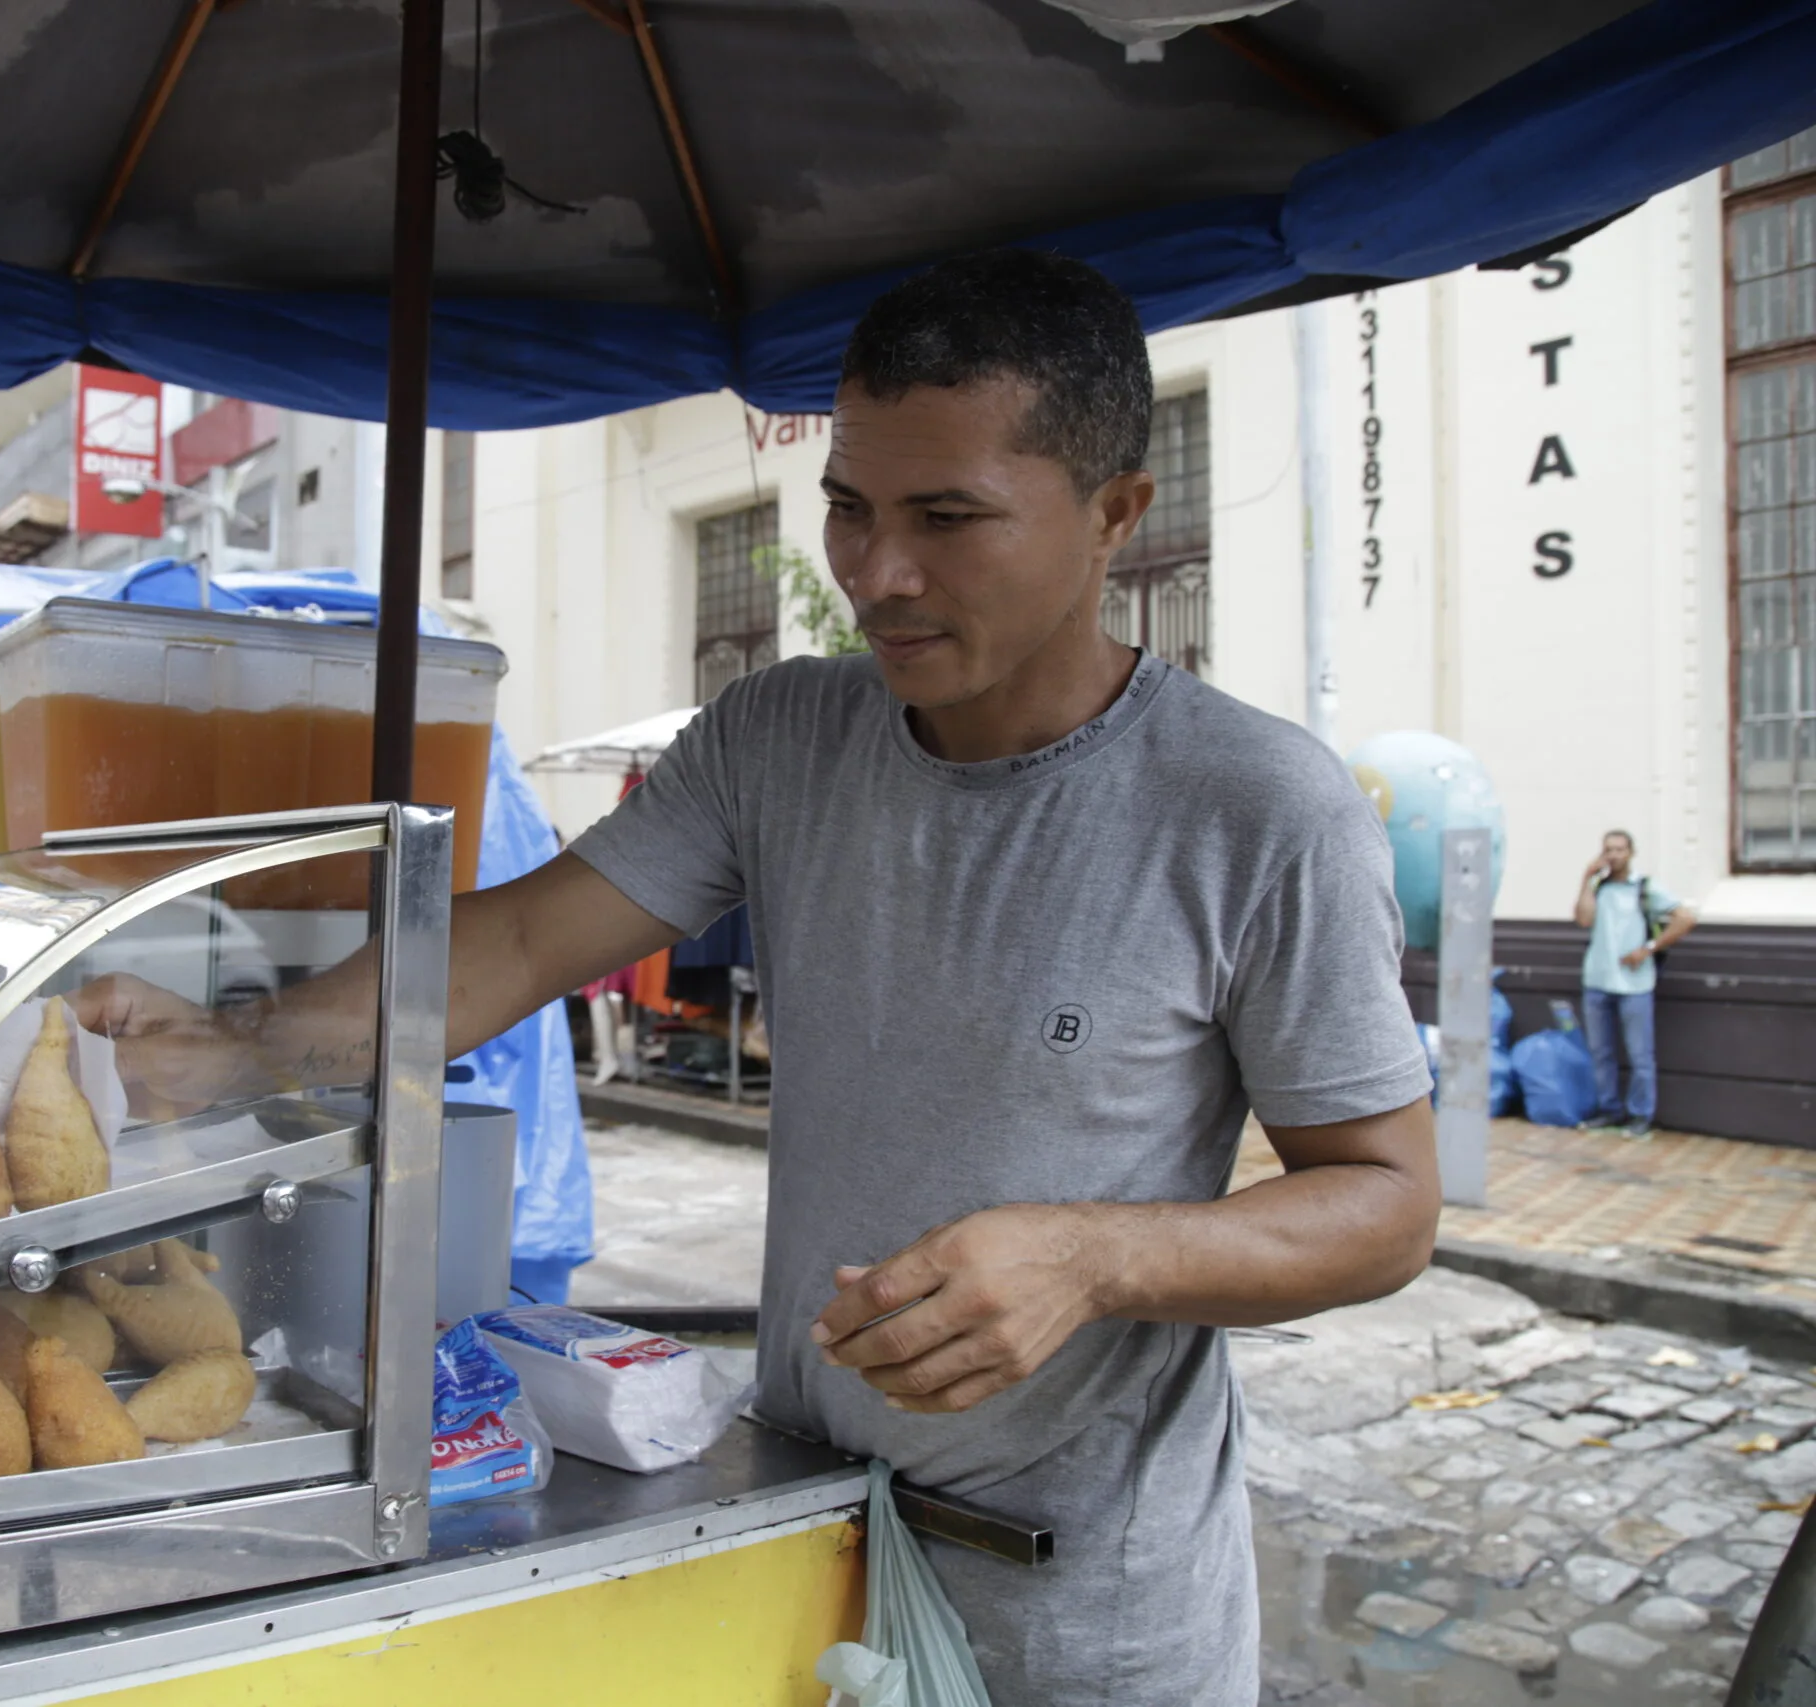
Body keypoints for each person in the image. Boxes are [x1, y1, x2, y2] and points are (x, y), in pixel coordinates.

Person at [77, 251, 1438, 1704]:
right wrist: (246, 1045)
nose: (877, 572)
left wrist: (1092, 1255)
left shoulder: (1257, 806)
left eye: (948, 517)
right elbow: (526, 941)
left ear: (1115, 512)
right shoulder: (781, 736)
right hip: (804, 1544)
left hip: (1085, 1610)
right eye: (850, 507)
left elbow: (1384, 1200)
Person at [1572, 829, 1696, 1139]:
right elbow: (1583, 920)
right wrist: (1586, 879)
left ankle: (1641, 1114)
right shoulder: (1599, 888)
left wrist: (1649, 948)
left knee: (1640, 1053)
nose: (1613, 855)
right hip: (1598, 980)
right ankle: (1609, 1109)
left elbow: (1685, 918)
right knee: (1601, 1051)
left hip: (1635, 984)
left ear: (1631, 853)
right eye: (1608, 850)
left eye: (1619, 849)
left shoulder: (1644, 888)